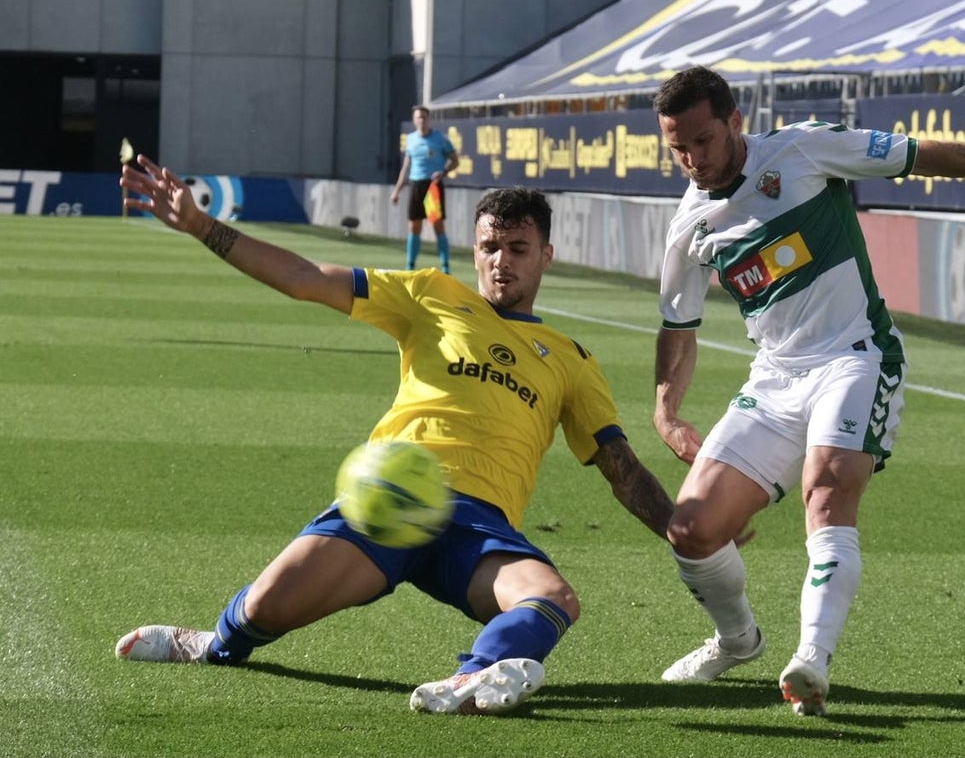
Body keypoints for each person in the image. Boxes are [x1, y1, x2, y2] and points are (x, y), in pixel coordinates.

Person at [115, 156, 677, 716]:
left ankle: (472, 678)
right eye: (489, 248)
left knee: (554, 598)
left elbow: (620, 468)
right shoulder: (432, 295)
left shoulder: (573, 360)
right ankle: (211, 645)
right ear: (474, 250)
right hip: (389, 498)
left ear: (545, 255)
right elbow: (306, 279)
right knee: (262, 609)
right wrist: (200, 225)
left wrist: (684, 532)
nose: (501, 262)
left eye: (518, 249)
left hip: (478, 526)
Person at [650, 66, 965, 716]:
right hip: (775, 380)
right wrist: (665, 410)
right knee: (690, 530)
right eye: (676, 148)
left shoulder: (802, 149)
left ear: (735, 121)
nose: (692, 160)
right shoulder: (689, 223)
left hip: (855, 358)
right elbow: (678, 327)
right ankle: (738, 637)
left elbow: (922, 154)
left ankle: (811, 659)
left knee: (826, 487)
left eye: (703, 140)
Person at [390, 105, 460, 272]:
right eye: (418, 117)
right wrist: (397, 190)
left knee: (437, 225)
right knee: (414, 226)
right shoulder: (411, 139)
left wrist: (443, 172)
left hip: (433, 186)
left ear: (429, 119)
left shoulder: (440, 139)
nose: (421, 120)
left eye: (424, 117)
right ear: (414, 120)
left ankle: (445, 267)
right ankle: (410, 266)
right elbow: (405, 167)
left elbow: (455, 161)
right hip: (416, 185)